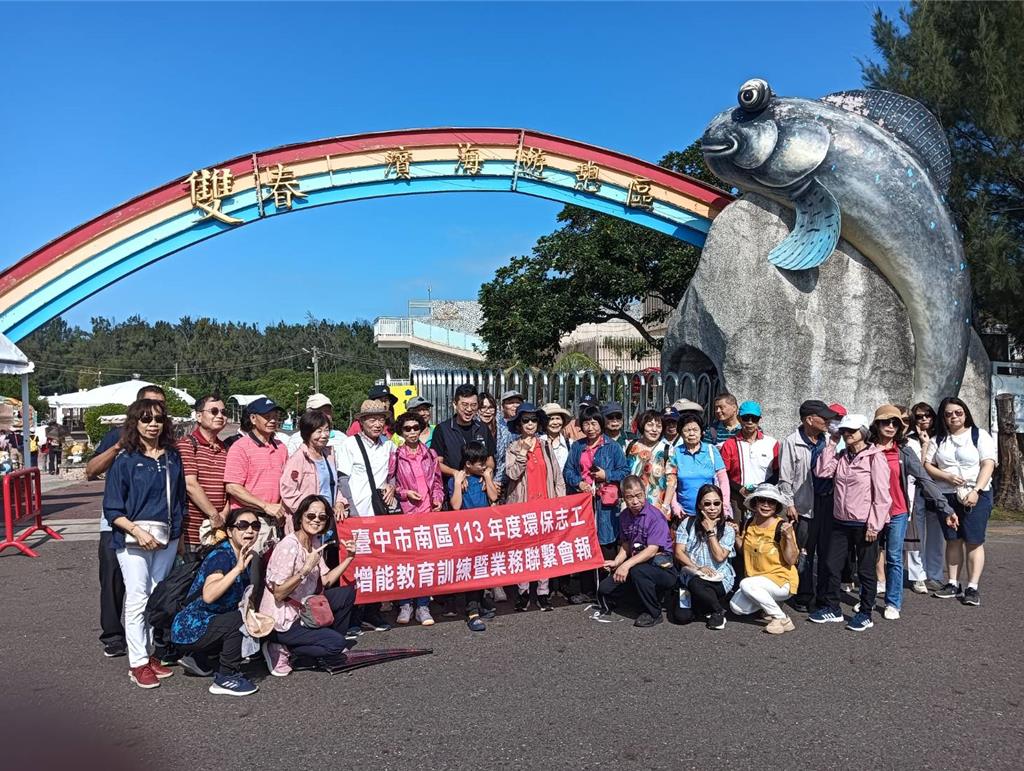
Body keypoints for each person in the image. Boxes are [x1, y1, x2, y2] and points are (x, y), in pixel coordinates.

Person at [102, 398, 187, 688]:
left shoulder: (172, 457)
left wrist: (181, 536)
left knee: (156, 596)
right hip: (133, 538)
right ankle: (137, 662)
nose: (153, 425)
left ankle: (149, 654)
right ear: (135, 423)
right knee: (138, 596)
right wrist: (138, 532)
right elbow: (112, 508)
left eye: (158, 419)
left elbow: (180, 499)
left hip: (168, 537)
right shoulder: (124, 460)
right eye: (146, 419)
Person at [87, 384, 167, 659]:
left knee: (149, 586)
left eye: (160, 411)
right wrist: (119, 446)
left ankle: (147, 641)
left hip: (156, 526)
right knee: (113, 580)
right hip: (116, 522)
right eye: (147, 411)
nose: (153, 419)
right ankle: (113, 635)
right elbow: (91, 471)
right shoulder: (116, 436)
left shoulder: (167, 444)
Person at [868, 405, 955, 620]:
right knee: (868, 556)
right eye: (886, 422)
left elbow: (924, 479)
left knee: (895, 557)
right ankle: (867, 598)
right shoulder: (866, 449)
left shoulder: (903, 451)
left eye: (895, 423)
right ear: (876, 424)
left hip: (897, 511)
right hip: (870, 513)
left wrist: (946, 508)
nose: (890, 426)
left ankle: (892, 602)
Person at [809, 414, 891, 632]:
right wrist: (832, 442)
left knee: (865, 570)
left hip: (865, 523)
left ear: (863, 431)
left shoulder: (875, 457)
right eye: (844, 430)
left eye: (851, 431)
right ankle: (833, 608)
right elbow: (821, 471)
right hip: (840, 520)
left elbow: (882, 495)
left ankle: (865, 613)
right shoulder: (842, 456)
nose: (847, 434)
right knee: (831, 565)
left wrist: (875, 525)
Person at [259, 495, 359, 675]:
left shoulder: (314, 542)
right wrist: (305, 569)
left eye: (322, 517)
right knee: (337, 644)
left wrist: (350, 557)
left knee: (347, 594)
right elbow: (279, 594)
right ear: (300, 517)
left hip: (304, 609)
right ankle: (284, 648)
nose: (316, 520)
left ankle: (322, 640)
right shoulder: (288, 547)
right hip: (282, 620)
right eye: (311, 516)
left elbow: (326, 580)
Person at [170, 508, 260, 696]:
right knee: (238, 620)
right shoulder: (221, 556)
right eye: (242, 526)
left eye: (255, 526)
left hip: (209, 623)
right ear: (229, 531)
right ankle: (226, 676)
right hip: (190, 627)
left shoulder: (245, 555)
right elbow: (209, 595)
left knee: (248, 618)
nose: (250, 531)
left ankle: (198, 658)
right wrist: (236, 569)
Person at [924, 397, 997, 606]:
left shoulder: (979, 435)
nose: (954, 417)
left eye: (958, 412)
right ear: (943, 418)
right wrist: (946, 476)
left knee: (974, 541)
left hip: (976, 494)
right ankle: (953, 583)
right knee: (952, 539)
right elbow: (928, 465)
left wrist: (976, 490)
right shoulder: (939, 439)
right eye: (948, 414)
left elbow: (988, 464)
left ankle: (972, 587)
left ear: (965, 413)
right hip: (947, 495)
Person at [777, 399, 842, 613]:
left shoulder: (830, 440)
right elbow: (785, 477)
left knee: (827, 552)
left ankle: (823, 596)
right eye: (823, 417)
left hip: (828, 503)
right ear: (809, 419)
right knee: (804, 551)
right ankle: (803, 595)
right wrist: (789, 503)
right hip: (803, 505)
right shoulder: (791, 441)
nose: (827, 421)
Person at [336, 399, 396, 633]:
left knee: (378, 566)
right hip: (357, 514)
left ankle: (374, 612)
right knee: (355, 566)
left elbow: (392, 474)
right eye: (371, 419)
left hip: (379, 514)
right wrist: (351, 509)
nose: (377, 423)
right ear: (361, 422)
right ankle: (353, 616)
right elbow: (343, 479)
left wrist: (391, 485)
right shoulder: (349, 445)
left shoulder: (388, 445)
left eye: (381, 419)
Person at [505, 402, 565, 611]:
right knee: (523, 550)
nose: (530, 424)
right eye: (525, 420)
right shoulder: (512, 447)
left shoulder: (546, 446)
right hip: (522, 507)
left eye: (533, 420)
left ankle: (543, 592)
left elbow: (557, 477)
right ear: (519, 424)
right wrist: (522, 454)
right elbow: (511, 474)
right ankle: (522, 592)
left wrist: (560, 502)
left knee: (545, 549)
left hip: (545, 505)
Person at [598, 475, 678, 627]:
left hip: (661, 567)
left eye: (638, 496)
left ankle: (654, 613)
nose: (635, 501)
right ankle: (642, 598)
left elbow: (652, 550)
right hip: (637, 563)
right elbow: (627, 544)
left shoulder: (655, 516)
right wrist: (617, 561)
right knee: (605, 589)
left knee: (637, 572)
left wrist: (626, 565)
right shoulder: (624, 516)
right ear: (623, 498)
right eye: (629, 497)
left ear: (644, 492)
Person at [388, 410, 442, 626]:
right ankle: (405, 604)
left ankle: (422, 605)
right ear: (401, 432)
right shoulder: (396, 455)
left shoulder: (429, 453)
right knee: (405, 560)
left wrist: (437, 498)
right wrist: (405, 493)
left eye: (415, 428)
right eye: (407, 428)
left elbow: (436, 481)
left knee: (425, 561)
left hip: (427, 512)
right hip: (406, 513)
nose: (412, 432)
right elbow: (390, 484)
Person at [729, 484, 799, 634]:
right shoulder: (749, 523)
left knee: (746, 584)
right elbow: (744, 551)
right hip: (758, 579)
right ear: (755, 503)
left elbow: (792, 560)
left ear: (777, 505)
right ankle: (773, 604)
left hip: (781, 580)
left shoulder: (781, 526)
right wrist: (736, 535)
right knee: (736, 607)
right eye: (762, 500)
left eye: (771, 501)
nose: (766, 505)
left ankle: (781, 618)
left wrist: (788, 537)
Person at [564, 405, 630, 560]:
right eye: (586, 424)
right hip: (583, 502)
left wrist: (606, 475)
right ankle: (586, 583)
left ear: (601, 424)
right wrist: (579, 483)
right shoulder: (577, 446)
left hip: (605, 505)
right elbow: (568, 471)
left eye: (594, 423)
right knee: (584, 544)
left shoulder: (612, 447)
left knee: (606, 545)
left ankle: (606, 581)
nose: (590, 428)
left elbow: (625, 471)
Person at [448, 441, 500, 631]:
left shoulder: (483, 478)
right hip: (466, 532)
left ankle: (479, 603)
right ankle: (472, 611)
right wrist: (457, 483)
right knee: (470, 569)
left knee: (481, 569)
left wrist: (487, 478)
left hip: (484, 531)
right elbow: (455, 505)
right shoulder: (458, 480)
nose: (484, 466)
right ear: (468, 464)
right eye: (480, 464)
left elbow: (493, 497)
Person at [223, 398, 289, 538]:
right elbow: (233, 487)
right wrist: (265, 506)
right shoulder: (240, 447)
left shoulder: (281, 447)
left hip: (274, 520)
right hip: (248, 522)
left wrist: (280, 508)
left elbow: (286, 484)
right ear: (253, 418)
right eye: (267, 417)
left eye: (275, 417)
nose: (272, 420)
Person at [673, 484, 736, 629]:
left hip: (718, 578)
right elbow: (679, 552)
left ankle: (718, 611)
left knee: (697, 585)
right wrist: (698, 568)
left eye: (716, 503)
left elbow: (720, 557)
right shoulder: (687, 523)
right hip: (692, 574)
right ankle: (706, 606)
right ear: (700, 505)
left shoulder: (728, 529)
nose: (712, 508)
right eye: (707, 504)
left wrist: (710, 532)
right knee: (682, 617)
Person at [176, 394, 230, 560]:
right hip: (193, 533)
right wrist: (214, 515)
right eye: (213, 411)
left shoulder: (226, 448)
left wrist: (224, 516)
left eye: (223, 411)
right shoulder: (186, 444)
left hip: (220, 531)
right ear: (199, 416)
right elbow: (190, 485)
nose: (220, 416)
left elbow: (230, 488)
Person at [280, 409, 349, 527]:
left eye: (327, 430)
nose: (324, 435)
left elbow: (332, 485)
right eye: (319, 431)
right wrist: (310, 511)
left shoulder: (329, 455)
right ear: (308, 433)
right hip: (307, 522)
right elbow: (288, 491)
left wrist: (340, 502)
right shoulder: (298, 459)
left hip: (327, 520)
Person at [906, 401, 944, 589]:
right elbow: (917, 468)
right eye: (919, 416)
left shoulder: (942, 438)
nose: (924, 419)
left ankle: (935, 574)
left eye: (927, 415)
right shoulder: (909, 440)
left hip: (938, 491)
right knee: (916, 535)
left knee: (936, 536)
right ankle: (917, 575)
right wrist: (924, 444)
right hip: (917, 491)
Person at [719, 400, 779, 517]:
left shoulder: (772, 443)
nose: (750, 422)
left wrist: (762, 488)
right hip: (737, 497)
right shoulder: (729, 444)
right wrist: (739, 489)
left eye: (754, 418)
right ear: (739, 418)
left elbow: (778, 472)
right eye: (746, 418)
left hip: (764, 498)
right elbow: (723, 473)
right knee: (737, 531)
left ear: (759, 419)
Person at [666, 411, 731, 519]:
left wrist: (724, 506)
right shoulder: (674, 453)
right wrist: (675, 506)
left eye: (695, 430)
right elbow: (671, 482)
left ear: (701, 432)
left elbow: (723, 480)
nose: (691, 434)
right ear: (681, 433)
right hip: (684, 513)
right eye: (687, 430)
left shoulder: (711, 450)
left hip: (711, 512)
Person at [625, 409, 675, 517]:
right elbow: (625, 475)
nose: (654, 430)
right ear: (642, 425)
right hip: (632, 507)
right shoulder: (631, 446)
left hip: (657, 507)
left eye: (658, 426)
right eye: (650, 425)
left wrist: (665, 507)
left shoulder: (667, 450)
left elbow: (671, 481)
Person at [495, 389, 524, 492]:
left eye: (518, 402)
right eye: (510, 403)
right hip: (498, 479)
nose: (515, 405)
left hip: (520, 479)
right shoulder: (496, 424)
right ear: (503, 406)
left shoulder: (527, 423)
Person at [540, 402, 572, 474]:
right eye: (551, 419)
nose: (555, 422)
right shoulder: (539, 442)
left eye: (558, 418)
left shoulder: (570, 444)